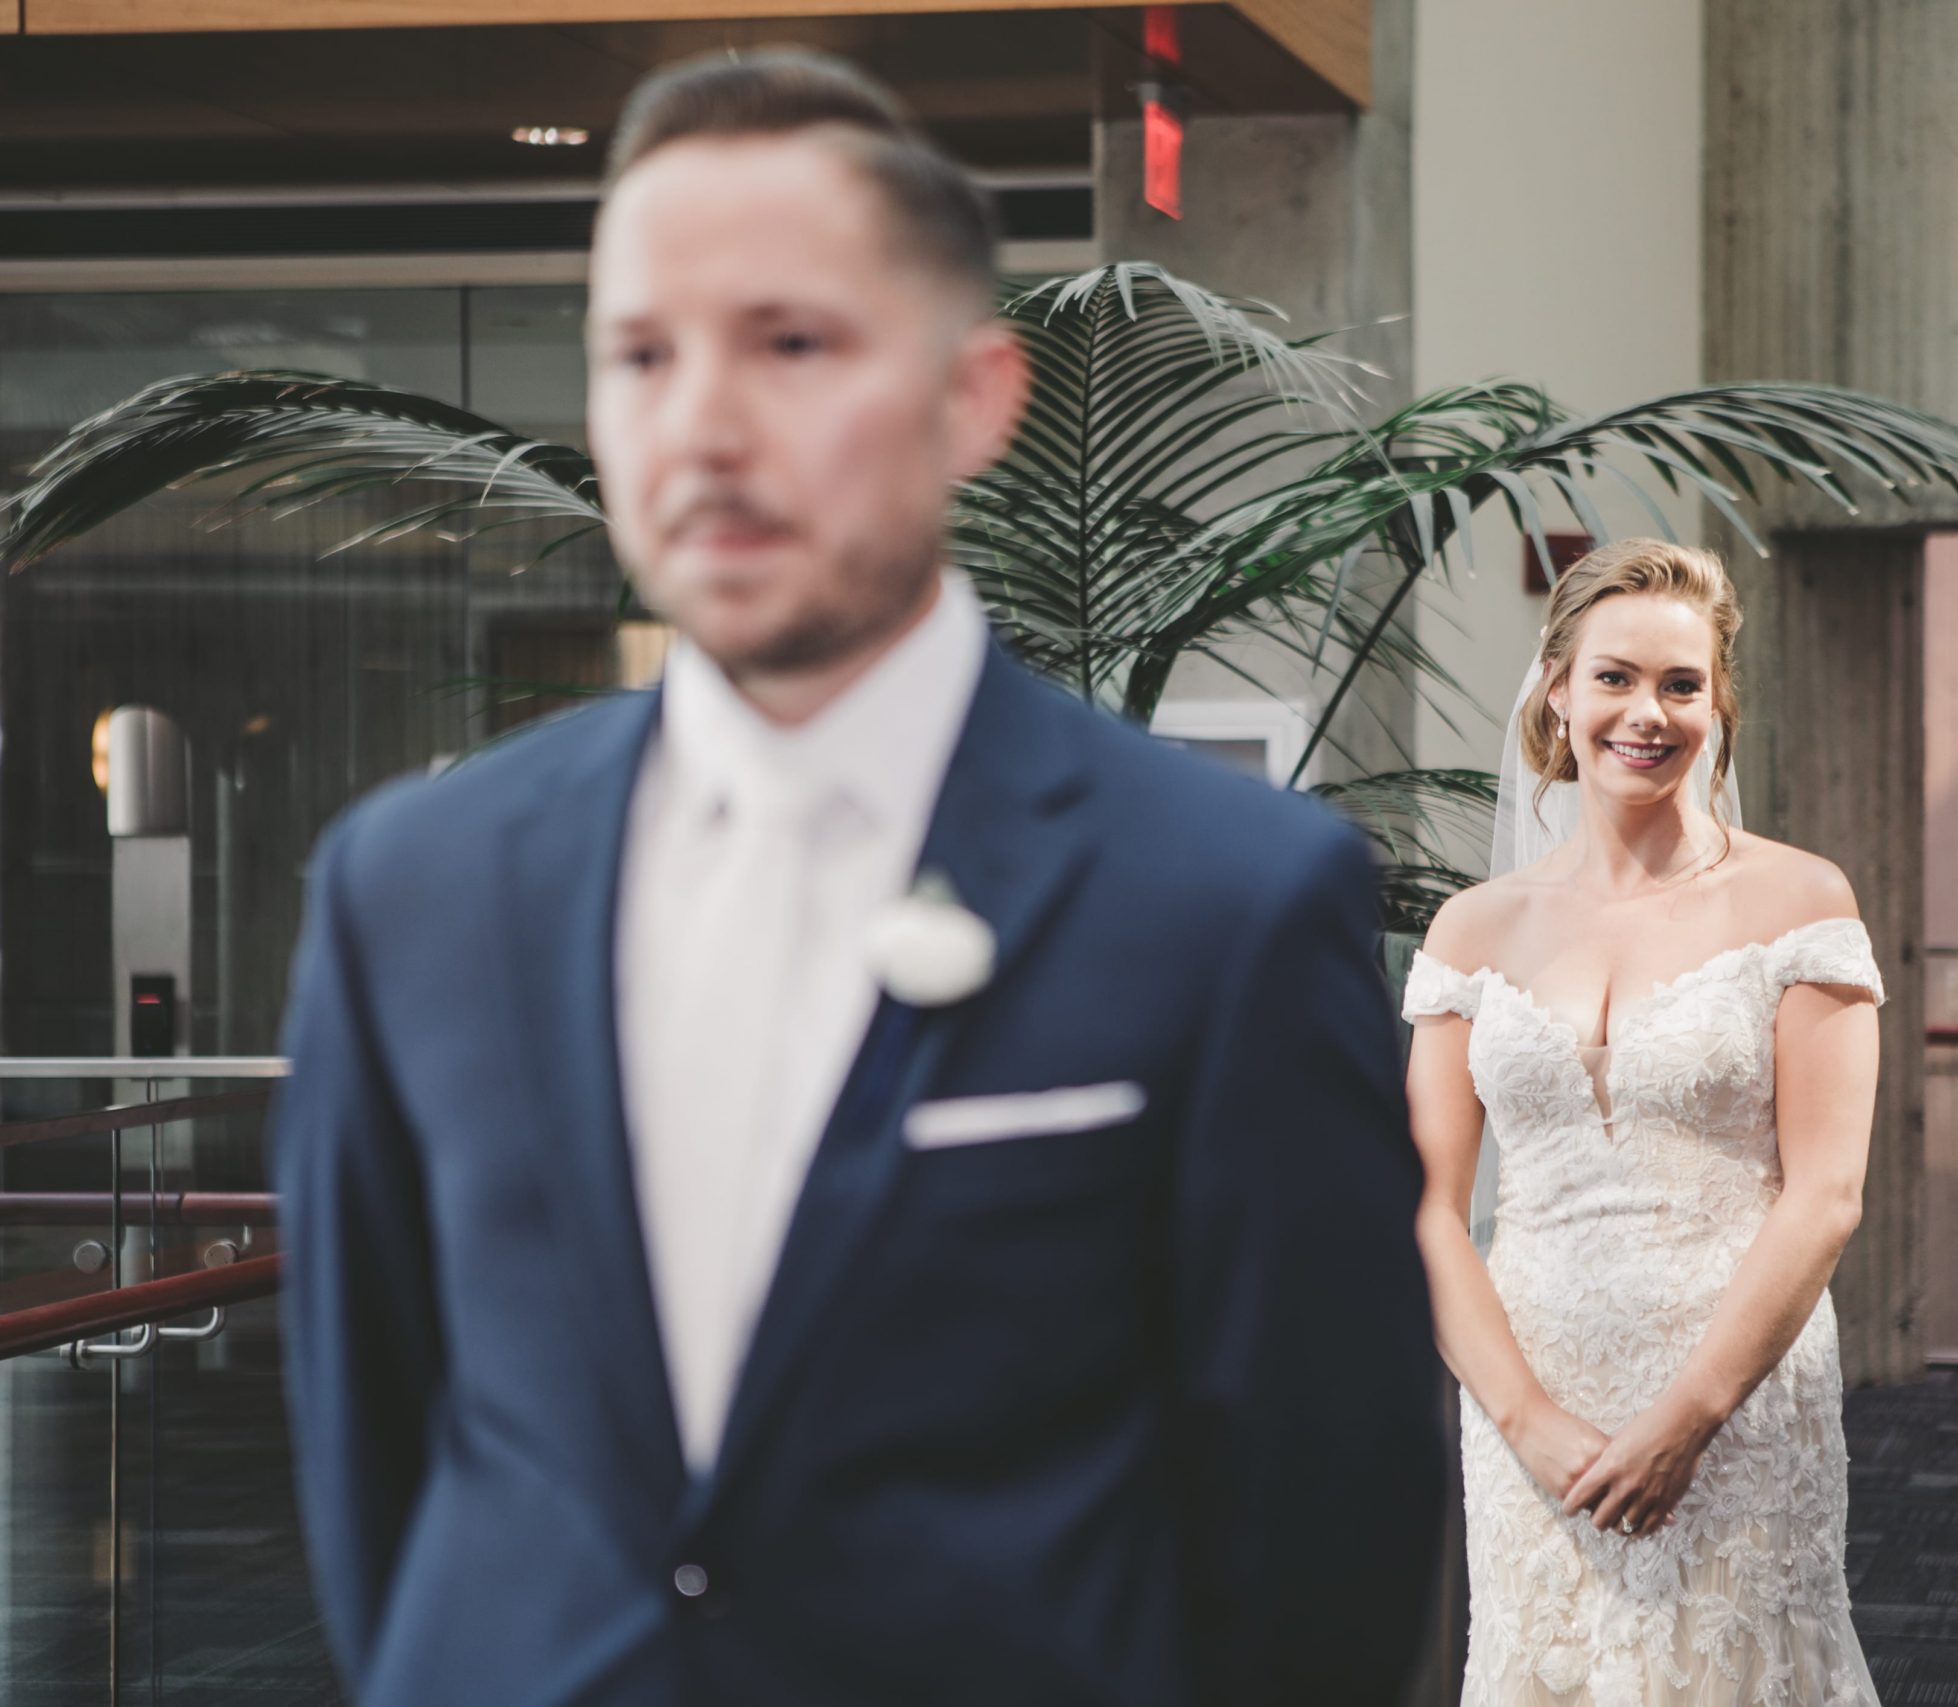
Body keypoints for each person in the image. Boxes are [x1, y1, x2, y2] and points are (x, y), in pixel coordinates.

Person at [269, 48, 1442, 1707]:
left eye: (791, 344)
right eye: (640, 356)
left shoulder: (1226, 903)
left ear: (973, 398)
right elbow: (373, 1460)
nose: (704, 426)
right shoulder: (412, 888)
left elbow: (1331, 1542)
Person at [1403, 539, 1885, 1705]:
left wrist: (1688, 1417)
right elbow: (1421, 1207)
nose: (1646, 713)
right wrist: (1523, 1419)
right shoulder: (1472, 929)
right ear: (1556, 690)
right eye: (1614, 677)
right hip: (1530, 1401)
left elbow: (1825, 1194)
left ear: (1718, 702)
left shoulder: (1798, 900)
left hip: (1737, 1397)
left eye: (1681, 684)